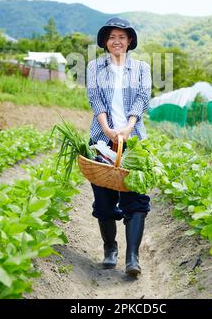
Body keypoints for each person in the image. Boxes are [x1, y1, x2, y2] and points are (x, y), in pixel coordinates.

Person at [86, 17, 152, 276]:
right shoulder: (94, 67)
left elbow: (143, 97)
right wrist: (105, 127)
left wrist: (128, 126)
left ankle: (132, 257)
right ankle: (110, 248)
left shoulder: (142, 68)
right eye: (112, 37)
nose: (117, 41)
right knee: (103, 200)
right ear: (105, 42)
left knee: (135, 198)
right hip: (102, 138)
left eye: (122, 37)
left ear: (130, 42)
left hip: (132, 139)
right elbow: (94, 97)